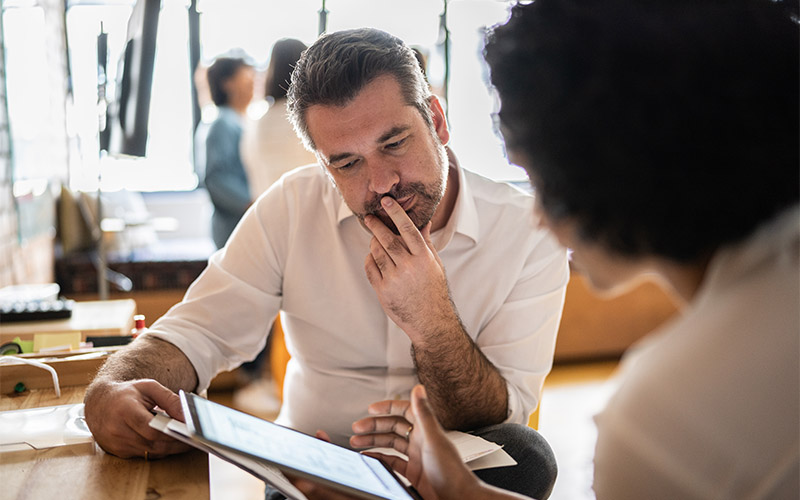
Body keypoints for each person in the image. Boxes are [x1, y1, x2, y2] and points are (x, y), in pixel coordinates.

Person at [319, 1, 799, 499]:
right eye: (346, 162)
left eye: (539, 181)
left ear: (610, 170)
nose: (540, 216)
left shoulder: (666, 420)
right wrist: (464, 491)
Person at [83, 27, 569, 498]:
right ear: (323, 163)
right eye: (347, 163)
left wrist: (432, 319)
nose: (380, 184)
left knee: (528, 455)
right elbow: (198, 334)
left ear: (437, 121)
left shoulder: (528, 229)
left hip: (447, 465)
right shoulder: (291, 207)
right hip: (319, 460)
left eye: (394, 143)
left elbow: (504, 414)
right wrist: (110, 387)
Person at [241, 38, 316, 198]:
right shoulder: (309, 116)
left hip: (267, 209)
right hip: (309, 207)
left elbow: (252, 170)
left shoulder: (256, 121)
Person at [203, 56, 255, 249]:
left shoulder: (241, 121)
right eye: (246, 75)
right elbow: (216, 178)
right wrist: (251, 203)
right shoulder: (222, 124)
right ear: (227, 84)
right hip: (233, 227)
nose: (253, 80)